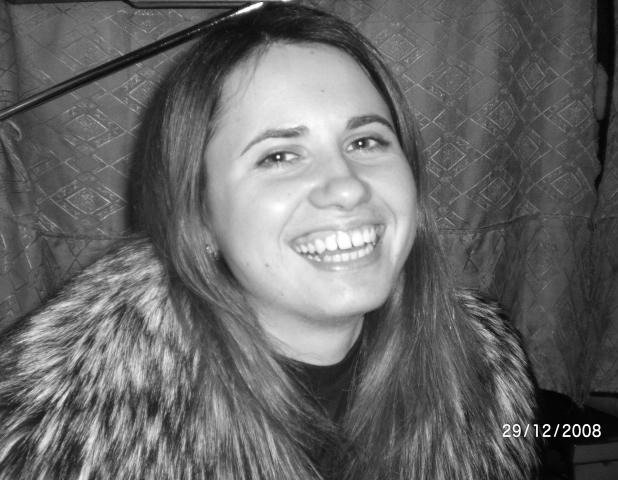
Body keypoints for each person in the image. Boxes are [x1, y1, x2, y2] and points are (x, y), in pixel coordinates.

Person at [0, 4, 537, 479]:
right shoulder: (66, 432)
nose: (347, 187)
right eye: (279, 156)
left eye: (366, 141)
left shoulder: (488, 376)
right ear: (198, 217)